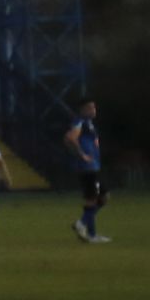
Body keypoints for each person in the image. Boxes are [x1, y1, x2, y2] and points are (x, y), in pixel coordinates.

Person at [66, 97, 108, 242]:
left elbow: (66, 138)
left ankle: (88, 230)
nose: (93, 110)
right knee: (93, 198)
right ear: (82, 109)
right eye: (90, 107)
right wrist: (82, 155)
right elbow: (71, 138)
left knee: (101, 197)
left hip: (93, 166)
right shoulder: (80, 121)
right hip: (87, 167)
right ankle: (84, 227)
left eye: (94, 107)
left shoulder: (88, 123)